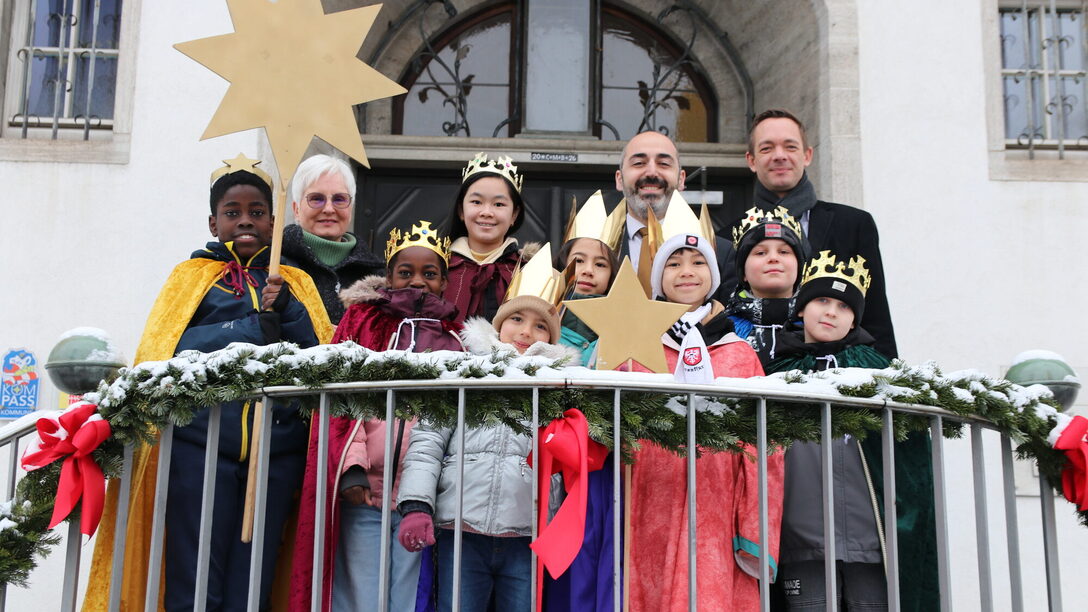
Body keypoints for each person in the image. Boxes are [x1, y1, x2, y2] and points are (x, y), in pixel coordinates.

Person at [82, 155, 334, 611]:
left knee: (252, 580)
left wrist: (291, 311)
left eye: (257, 212)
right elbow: (170, 349)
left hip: (274, 450)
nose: (245, 221)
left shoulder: (294, 280)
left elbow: (321, 355)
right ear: (213, 221)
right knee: (195, 575)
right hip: (201, 449)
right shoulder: (191, 279)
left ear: (274, 222)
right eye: (233, 212)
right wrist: (248, 330)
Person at [290, 220, 464, 612]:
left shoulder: (455, 341)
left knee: (406, 595)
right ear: (388, 277)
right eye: (406, 272)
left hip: (418, 497)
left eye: (429, 273)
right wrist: (350, 467)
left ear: (443, 282)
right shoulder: (364, 322)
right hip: (365, 490)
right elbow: (343, 401)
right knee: (361, 594)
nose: (417, 281)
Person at [396, 245, 578, 612]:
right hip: (460, 529)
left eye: (540, 325)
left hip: (527, 535)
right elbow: (428, 440)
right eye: (516, 320)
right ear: (498, 323)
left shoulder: (562, 386)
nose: (526, 332)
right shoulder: (466, 372)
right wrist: (416, 504)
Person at [627, 203, 784, 612]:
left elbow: (762, 448)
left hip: (716, 505)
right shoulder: (635, 348)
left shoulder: (738, 354)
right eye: (673, 262)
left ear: (712, 276)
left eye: (698, 262)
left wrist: (754, 528)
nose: (686, 271)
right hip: (646, 504)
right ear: (658, 277)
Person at [764, 251, 937, 612]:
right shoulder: (776, 370)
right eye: (822, 300)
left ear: (855, 319)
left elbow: (909, 460)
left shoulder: (879, 374)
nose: (830, 312)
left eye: (843, 307)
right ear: (800, 308)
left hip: (868, 539)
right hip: (800, 533)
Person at [746, 109, 897, 357]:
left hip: (839, 373)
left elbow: (875, 313)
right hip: (758, 372)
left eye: (790, 147)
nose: (779, 156)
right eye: (766, 148)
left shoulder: (854, 224)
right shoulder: (730, 235)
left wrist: (888, 379)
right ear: (751, 160)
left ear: (807, 155)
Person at [614, 130, 735, 300]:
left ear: (681, 179)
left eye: (663, 163)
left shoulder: (720, 252)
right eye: (639, 163)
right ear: (619, 179)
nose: (651, 173)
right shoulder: (590, 249)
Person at [282, 154, 385, 323]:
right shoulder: (274, 265)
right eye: (316, 199)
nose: (329, 209)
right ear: (296, 209)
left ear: (350, 208)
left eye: (339, 199)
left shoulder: (377, 275)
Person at [443, 152, 526, 325]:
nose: (486, 212)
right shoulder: (438, 266)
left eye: (499, 204)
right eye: (476, 202)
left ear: (514, 215)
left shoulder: (527, 271)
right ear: (461, 210)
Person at [725, 206, 807, 365]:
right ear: (743, 273)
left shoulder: (820, 327)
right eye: (760, 253)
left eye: (784, 252)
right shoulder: (723, 328)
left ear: (799, 267)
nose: (773, 258)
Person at [554, 190, 625, 366]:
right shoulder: (540, 319)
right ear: (563, 265)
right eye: (578, 261)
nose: (588, 271)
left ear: (612, 275)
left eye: (600, 264)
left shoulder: (623, 324)